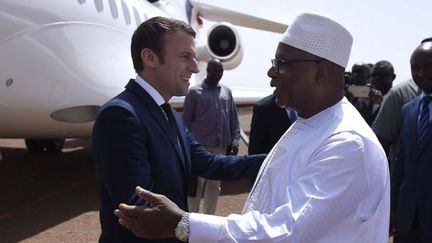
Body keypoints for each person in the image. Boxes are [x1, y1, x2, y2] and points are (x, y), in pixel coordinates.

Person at [115, 13, 390, 242]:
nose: (271, 73)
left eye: (281, 64)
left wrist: (185, 224)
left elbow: (287, 233)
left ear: (320, 72)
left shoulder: (348, 143)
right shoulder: (311, 122)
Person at [92, 16, 266, 243]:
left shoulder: (169, 114)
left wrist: (276, 159)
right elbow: (142, 214)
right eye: (185, 57)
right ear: (150, 58)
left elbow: (211, 164)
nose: (195, 67)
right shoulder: (121, 115)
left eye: (194, 58)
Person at [183, 59, 240, 214]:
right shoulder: (194, 92)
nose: (219, 74)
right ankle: (192, 219)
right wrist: (186, 146)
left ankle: (209, 219)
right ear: (207, 71)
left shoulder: (226, 92)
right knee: (196, 185)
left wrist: (235, 140)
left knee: (214, 186)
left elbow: (233, 118)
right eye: (216, 71)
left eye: (221, 71)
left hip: (220, 147)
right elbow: (186, 122)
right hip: (199, 147)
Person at [391, 37, 432, 243]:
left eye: (428, 67)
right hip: (408, 217)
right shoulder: (409, 110)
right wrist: (393, 206)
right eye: (415, 68)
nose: (421, 74)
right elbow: (401, 161)